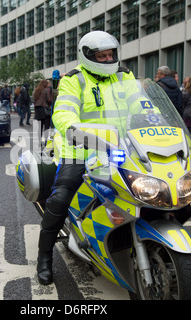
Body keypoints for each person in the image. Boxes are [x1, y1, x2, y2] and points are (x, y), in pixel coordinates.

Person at [36, 30, 137, 285]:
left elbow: (144, 106)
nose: (106, 59)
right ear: (87, 56)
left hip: (122, 149)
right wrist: (76, 131)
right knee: (61, 198)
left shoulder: (125, 75)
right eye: (101, 56)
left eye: (109, 54)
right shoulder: (74, 80)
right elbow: (63, 114)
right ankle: (44, 255)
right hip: (81, 150)